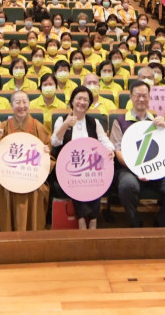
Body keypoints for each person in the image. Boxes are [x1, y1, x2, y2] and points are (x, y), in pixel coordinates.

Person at [109, 81, 165, 228]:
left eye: (145, 96)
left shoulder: (157, 121)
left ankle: (162, 222)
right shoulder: (120, 121)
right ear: (131, 97)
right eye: (138, 95)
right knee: (127, 186)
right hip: (130, 169)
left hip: (157, 168)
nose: (141, 99)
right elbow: (118, 151)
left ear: (149, 97)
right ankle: (135, 222)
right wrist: (138, 169)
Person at [52, 86, 115, 229]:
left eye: (86, 100)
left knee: (96, 178)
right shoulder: (62, 119)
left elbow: (105, 141)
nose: (82, 102)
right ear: (72, 101)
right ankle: (85, 218)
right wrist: (65, 125)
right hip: (68, 167)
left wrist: (110, 149)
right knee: (76, 178)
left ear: (89, 104)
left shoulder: (94, 122)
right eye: (79, 98)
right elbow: (54, 142)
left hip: (90, 166)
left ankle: (90, 219)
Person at [0, 92, 52, 232]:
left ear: (29, 104)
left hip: (31, 173)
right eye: (17, 102)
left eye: (24, 102)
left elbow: (48, 154)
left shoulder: (38, 127)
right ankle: (7, 231)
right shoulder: (3, 126)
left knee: (38, 191)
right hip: (7, 174)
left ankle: (32, 231)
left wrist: (46, 152)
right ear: (11, 105)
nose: (21, 106)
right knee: (2, 188)